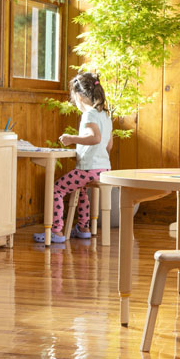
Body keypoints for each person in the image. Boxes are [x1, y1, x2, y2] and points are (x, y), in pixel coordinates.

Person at [34, 73, 113, 243]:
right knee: (81, 189)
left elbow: (96, 138)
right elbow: (108, 145)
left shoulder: (89, 115)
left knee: (57, 189)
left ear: (79, 96)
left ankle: (56, 231)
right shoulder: (105, 115)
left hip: (88, 168)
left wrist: (71, 139)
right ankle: (83, 228)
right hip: (103, 168)